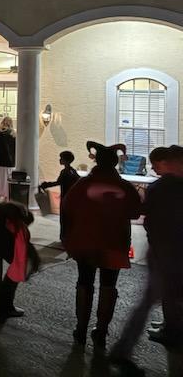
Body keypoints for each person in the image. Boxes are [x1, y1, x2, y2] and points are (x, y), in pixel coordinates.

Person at [110, 145, 183, 373]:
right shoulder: (168, 187)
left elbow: (147, 215)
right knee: (155, 299)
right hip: (169, 253)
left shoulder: (160, 187)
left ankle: (126, 348)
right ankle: (124, 349)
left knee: (155, 299)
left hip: (164, 252)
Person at [62, 140, 142, 347]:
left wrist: (66, 236)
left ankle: (81, 328)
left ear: (96, 161)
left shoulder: (82, 185)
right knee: (109, 285)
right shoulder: (124, 186)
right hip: (114, 243)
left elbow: (67, 208)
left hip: (85, 241)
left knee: (84, 282)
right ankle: (101, 331)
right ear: (115, 163)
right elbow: (135, 212)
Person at [38, 150, 78, 239]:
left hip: (65, 197)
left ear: (66, 160)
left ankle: (64, 236)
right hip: (71, 197)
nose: (60, 160)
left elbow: (58, 182)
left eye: (61, 158)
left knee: (64, 217)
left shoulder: (65, 172)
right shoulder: (73, 171)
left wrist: (45, 185)